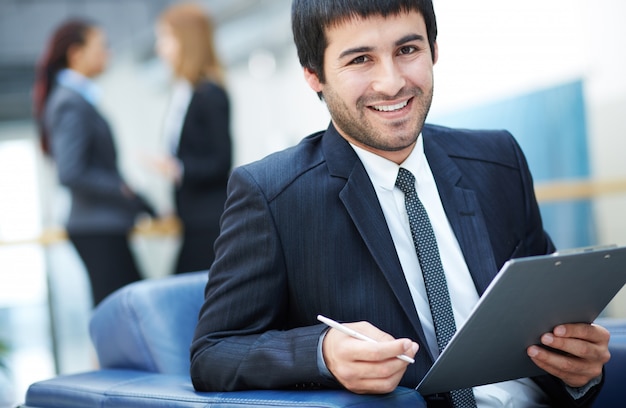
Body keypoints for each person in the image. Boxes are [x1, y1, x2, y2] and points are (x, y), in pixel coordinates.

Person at [190, 1, 610, 407]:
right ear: (313, 74)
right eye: (360, 60)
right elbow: (213, 352)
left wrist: (579, 369)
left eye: (407, 50)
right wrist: (323, 353)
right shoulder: (271, 195)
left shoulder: (499, 162)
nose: (391, 83)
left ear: (434, 50)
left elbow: (553, 324)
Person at [33, 19, 155, 305]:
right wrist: (121, 189)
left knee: (122, 312)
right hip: (96, 227)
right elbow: (70, 171)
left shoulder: (77, 99)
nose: (108, 54)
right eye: (102, 46)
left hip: (101, 226)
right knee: (123, 314)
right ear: (76, 54)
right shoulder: (69, 102)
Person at [146, 3, 232, 274]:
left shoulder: (211, 94)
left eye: (165, 38)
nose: (160, 47)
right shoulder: (181, 93)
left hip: (208, 223)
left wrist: (177, 169)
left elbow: (221, 161)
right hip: (190, 219)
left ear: (186, 40)